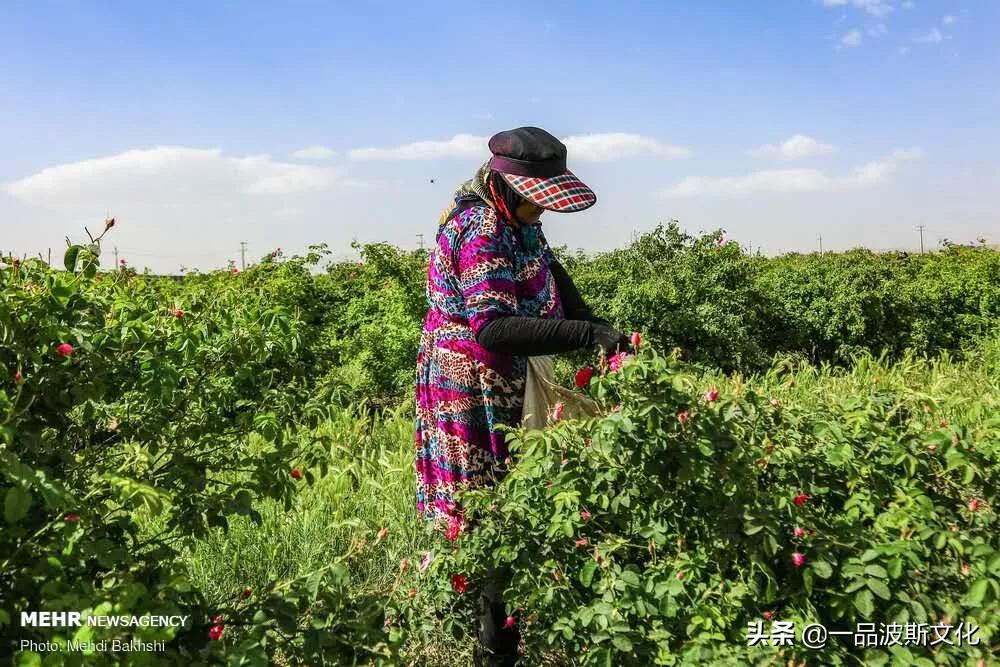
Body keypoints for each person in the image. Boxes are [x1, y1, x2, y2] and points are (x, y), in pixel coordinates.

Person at [414, 127, 630, 666]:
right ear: (507, 185)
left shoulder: (519, 221)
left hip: (510, 377)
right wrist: (583, 337)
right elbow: (490, 328)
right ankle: (495, 648)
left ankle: (507, 625)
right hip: (471, 388)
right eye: (538, 200)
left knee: (517, 502)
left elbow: (551, 273)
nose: (543, 212)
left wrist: (594, 324)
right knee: (489, 515)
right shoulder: (480, 226)